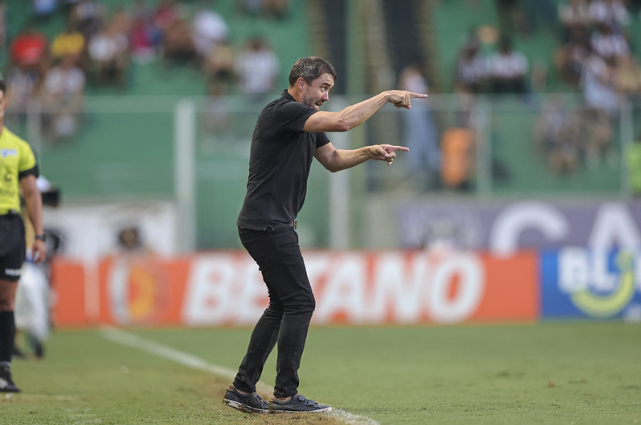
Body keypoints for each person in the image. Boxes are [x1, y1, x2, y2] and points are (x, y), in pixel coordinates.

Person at [223, 57, 425, 414]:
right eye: (323, 88)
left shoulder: (304, 119)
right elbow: (345, 121)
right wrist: (384, 96)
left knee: (283, 304)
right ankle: (285, 395)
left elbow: (331, 158)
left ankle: (242, 388)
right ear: (301, 83)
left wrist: (369, 152)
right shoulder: (282, 112)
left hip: (267, 223)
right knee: (301, 303)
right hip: (268, 224)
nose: (326, 97)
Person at [0, 79, 47, 392]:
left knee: (7, 298)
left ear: (4, 103)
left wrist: (39, 235)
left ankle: (4, 372)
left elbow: (31, 193)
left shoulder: (19, 147)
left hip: (9, 228)